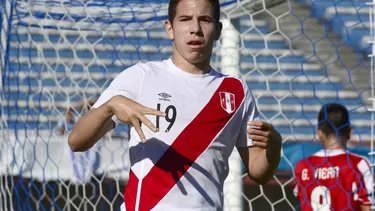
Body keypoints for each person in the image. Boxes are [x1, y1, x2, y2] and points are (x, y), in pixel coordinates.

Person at [68, 0, 282, 210]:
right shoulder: (141, 77)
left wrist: (274, 146)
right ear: (170, 28)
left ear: (218, 30)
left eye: (205, 20)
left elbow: (258, 171)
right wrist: (110, 106)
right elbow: (77, 141)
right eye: (185, 19)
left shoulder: (236, 91)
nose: (195, 29)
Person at [293, 103, 374, 211]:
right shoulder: (358, 164)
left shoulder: (302, 167)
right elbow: (367, 207)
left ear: (319, 133)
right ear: (350, 132)